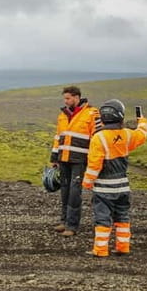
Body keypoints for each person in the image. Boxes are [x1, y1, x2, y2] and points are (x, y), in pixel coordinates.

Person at [82, 100, 147, 257]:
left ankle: (100, 250)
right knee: (122, 216)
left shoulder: (99, 138)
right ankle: (123, 247)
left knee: (103, 218)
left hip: (104, 187)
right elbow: (142, 135)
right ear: (120, 116)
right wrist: (142, 120)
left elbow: (94, 164)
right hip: (123, 186)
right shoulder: (127, 134)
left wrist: (87, 182)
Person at [50, 86, 102, 236]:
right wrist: (54, 158)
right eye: (64, 98)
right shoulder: (63, 115)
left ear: (77, 97)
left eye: (68, 98)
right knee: (65, 190)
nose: (65, 101)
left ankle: (72, 226)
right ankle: (64, 221)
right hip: (64, 158)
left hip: (80, 160)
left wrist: (94, 160)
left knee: (74, 192)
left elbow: (97, 138)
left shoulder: (92, 113)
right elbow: (58, 137)